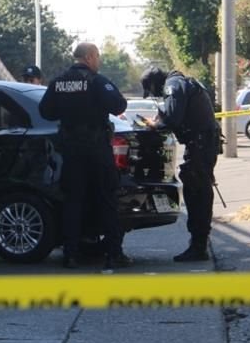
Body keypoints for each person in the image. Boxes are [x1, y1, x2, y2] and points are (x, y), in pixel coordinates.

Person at [39, 42, 131, 271]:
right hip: (97, 149)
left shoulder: (59, 82)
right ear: (89, 57)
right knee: (107, 200)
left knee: (73, 202)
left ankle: (70, 255)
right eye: (97, 56)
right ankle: (114, 254)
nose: (98, 61)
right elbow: (119, 104)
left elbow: (45, 111)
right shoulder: (96, 81)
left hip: (71, 151)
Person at [141, 66, 219, 262]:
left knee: (196, 192)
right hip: (203, 143)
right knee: (198, 189)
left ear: (155, 83)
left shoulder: (173, 85)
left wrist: (155, 124)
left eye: (152, 91)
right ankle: (199, 243)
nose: (155, 95)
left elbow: (173, 119)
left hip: (200, 144)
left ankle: (199, 246)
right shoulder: (182, 82)